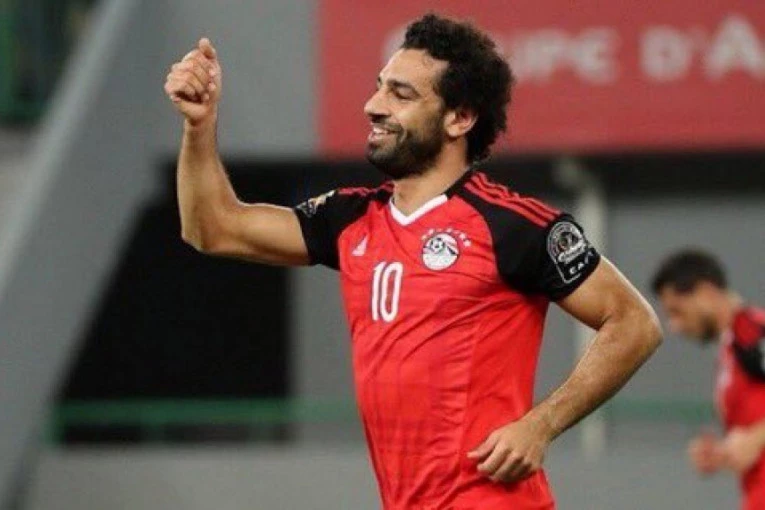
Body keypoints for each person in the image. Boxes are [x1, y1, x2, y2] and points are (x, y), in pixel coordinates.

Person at [164, 13, 661, 510]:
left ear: (459, 119)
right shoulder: (351, 218)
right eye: (380, 86)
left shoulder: (514, 226)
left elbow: (634, 323)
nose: (373, 105)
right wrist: (199, 125)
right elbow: (213, 229)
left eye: (401, 95)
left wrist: (541, 424)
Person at [652, 249, 765, 510]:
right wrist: (724, 452)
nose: (674, 325)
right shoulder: (731, 348)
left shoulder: (750, 333)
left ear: (706, 292)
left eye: (677, 311)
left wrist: (755, 439)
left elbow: (754, 438)